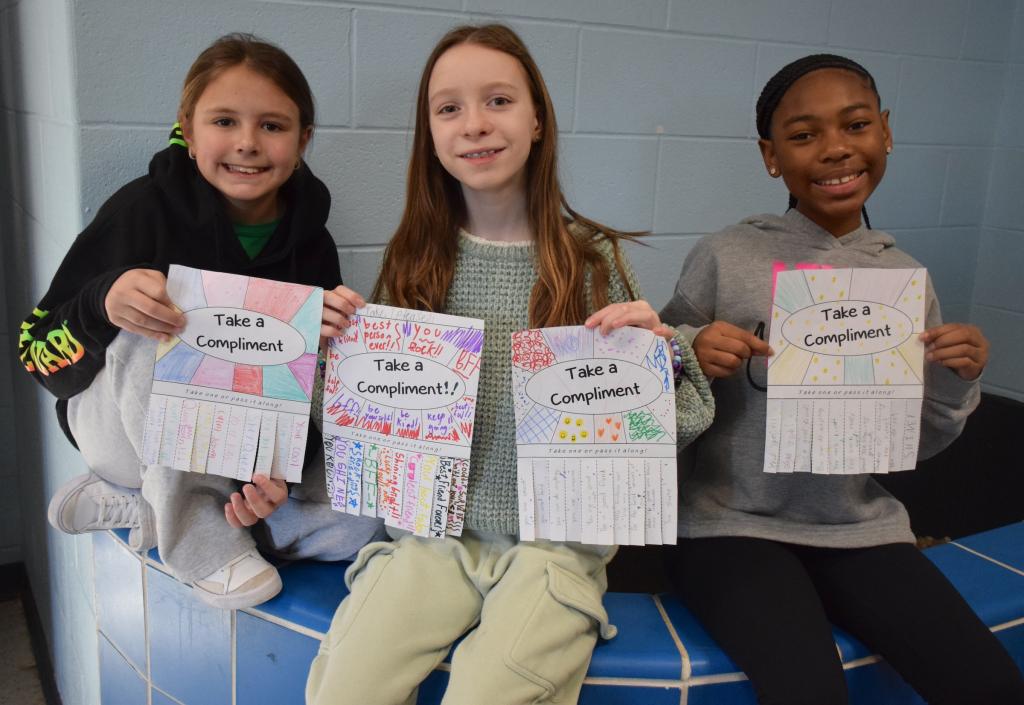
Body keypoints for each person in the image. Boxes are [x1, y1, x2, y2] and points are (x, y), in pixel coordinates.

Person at [305, 24, 713, 705]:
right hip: (432, 540)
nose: (474, 125)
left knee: (489, 692)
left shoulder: (592, 260)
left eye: (497, 100)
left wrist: (660, 359)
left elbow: (665, 432)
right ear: (429, 134)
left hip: (556, 546)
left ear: (537, 120)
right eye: (449, 108)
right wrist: (331, 361)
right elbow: (371, 436)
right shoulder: (413, 259)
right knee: (341, 689)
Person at [660, 53, 1024, 705]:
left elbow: (912, 447)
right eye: (804, 135)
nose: (835, 149)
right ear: (771, 157)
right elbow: (652, 391)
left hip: (860, 529)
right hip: (730, 526)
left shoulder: (903, 280)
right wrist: (689, 351)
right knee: (809, 692)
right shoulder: (725, 256)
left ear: (884, 131)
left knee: (993, 682)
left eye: (855, 125)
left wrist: (951, 381)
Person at [20, 33, 383, 610]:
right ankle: (202, 544)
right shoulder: (141, 210)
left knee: (364, 526)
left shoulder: (313, 244)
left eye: (271, 125)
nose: (247, 143)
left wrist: (275, 480)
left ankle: (153, 510)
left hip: (231, 447)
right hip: (122, 429)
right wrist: (100, 303)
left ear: (302, 139)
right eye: (224, 122)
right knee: (160, 324)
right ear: (189, 132)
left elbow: (301, 398)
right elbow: (36, 355)